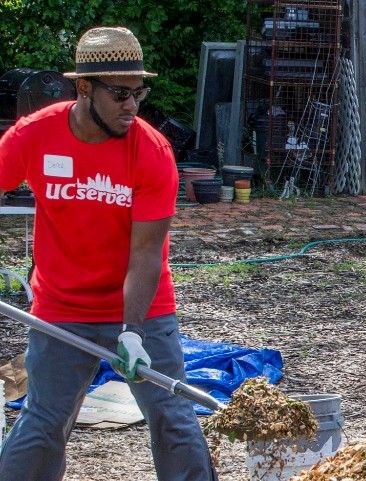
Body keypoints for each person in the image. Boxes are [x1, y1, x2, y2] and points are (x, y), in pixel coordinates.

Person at [0, 27, 215, 480]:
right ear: (83, 89)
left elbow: (146, 253)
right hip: (61, 306)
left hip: (140, 306)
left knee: (172, 417)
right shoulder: (35, 136)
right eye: (120, 94)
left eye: (138, 93)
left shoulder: (152, 152)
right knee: (43, 421)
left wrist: (132, 330)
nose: (132, 106)